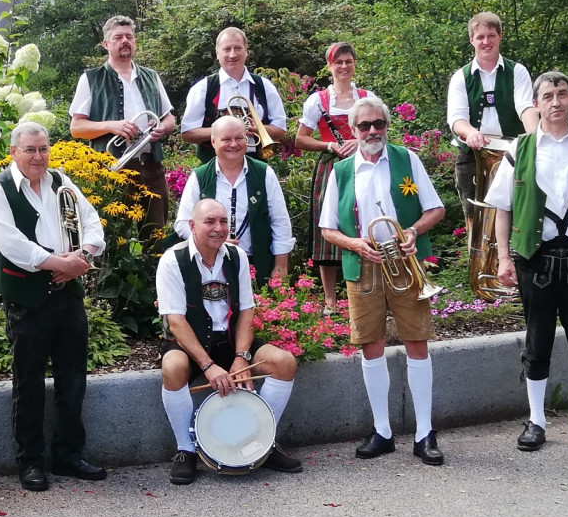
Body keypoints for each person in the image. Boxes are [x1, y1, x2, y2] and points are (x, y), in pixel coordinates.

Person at [484, 71, 568, 454]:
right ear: (537, 104)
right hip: (535, 259)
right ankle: (536, 421)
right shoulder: (520, 147)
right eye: (547, 96)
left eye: (561, 94)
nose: (555, 101)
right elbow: (503, 209)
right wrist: (504, 257)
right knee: (537, 342)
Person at [0, 121, 108, 491]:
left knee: (73, 380)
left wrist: (82, 255)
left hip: (68, 294)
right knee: (29, 383)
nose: (38, 156)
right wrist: (58, 263)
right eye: (30, 150)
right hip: (26, 298)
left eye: (43, 149)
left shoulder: (62, 182)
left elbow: (92, 223)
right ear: (14, 152)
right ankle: (30, 461)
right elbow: (11, 243)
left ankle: (68, 455)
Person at [319, 96, 447, 466]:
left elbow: (436, 209)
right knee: (370, 346)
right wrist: (355, 244)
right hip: (364, 264)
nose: (372, 131)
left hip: (405, 261)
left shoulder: (408, 159)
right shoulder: (341, 171)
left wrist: (413, 231)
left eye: (378, 124)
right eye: (364, 126)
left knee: (417, 342)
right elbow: (327, 228)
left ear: (387, 126)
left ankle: (425, 433)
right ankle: (383, 432)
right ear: (353, 130)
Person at [157, 198, 302, 485]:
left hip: (231, 340)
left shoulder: (236, 255)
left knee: (284, 362)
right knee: (172, 367)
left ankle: (263, 440)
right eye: (209, 221)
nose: (218, 228)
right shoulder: (172, 260)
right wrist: (209, 366)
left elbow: (247, 312)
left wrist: (242, 355)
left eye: (223, 221)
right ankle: (186, 450)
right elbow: (176, 322)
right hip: (191, 342)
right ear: (192, 226)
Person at [69, 15, 177, 241]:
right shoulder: (91, 78)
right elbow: (76, 128)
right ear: (106, 44)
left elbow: (170, 119)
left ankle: (154, 276)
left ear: (135, 42)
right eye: (118, 37)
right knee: (114, 239)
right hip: (113, 171)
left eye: (129, 36)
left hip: (151, 167)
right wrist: (112, 125)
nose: (125, 41)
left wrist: (162, 128)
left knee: (156, 238)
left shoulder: (151, 76)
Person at [296, 42, 374, 316]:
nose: (344, 66)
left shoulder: (367, 98)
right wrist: (329, 146)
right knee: (327, 227)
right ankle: (330, 299)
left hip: (364, 164)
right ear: (329, 66)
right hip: (331, 167)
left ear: (354, 64)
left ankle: (365, 289)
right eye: (338, 62)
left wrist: (359, 141)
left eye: (348, 61)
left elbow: (380, 133)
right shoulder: (318, 100)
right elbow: (301, 139)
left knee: (364, 220)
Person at [173, 115, 294, 288]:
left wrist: (281, 266)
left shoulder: (264, 173)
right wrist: (211, 240)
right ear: (213, 142)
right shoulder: (199, 177)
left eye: (239, 138)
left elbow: (280, 221)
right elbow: (183, 223)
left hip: (256, 262)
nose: (234, 144)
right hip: (210, 262)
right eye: (226, 139)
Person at [446, 12, 538, 237]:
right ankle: (477, 265)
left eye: (491, 35)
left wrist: (537, 138)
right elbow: (456, 119)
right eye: (480, 37)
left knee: (517, 214)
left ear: (500, 37)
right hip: (473, 155)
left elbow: (525, 107)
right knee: (475, 219)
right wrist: (470, 133)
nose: (485, 42)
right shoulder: (461, 76)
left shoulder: (517, 71)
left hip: (511, 154)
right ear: (472, 40)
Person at [181, 27, 288, 163]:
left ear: (246, 51)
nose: (233, 55)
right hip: (213, 164)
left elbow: (280, 129)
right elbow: (188, 133)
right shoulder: (203, 88)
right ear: (217, 53)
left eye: (238, 48)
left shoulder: (264, 86)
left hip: (255, 163)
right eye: (227, 49)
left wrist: (258, 129)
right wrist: (227, 131)